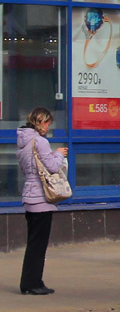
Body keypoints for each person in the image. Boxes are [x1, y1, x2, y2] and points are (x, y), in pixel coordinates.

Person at [17, 107, 67, 295]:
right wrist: (59, 154)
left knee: (33, 243)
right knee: (39, 245)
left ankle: (31, 281)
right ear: (40, 122)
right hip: (42, 199)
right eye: (47, 123)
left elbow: (27, 169)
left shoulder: (23, 143)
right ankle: (32, 283)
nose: (48, 126)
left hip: (29, 197)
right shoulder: (40, 142)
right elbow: (53, 167)